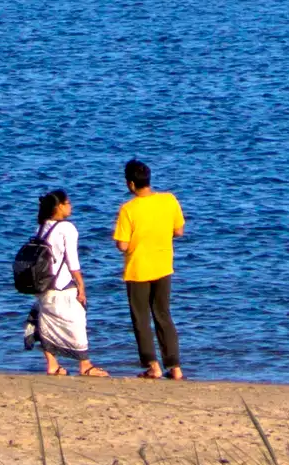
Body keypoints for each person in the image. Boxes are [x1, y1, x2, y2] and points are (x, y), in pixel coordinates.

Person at [113, 158, 186, 379]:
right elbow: (179, 231)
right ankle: (175, 367)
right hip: (163, 266)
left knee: (141, 318)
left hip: (138, 270)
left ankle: (152, 365)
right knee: (163, 314)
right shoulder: (169, 200)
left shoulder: (128, 209)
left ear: (131, 184)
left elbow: (122, 244)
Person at [27, 188, 100, 375]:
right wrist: (81, 287)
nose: (71, 206)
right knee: (76, 322)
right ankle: (85, 365)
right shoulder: (67, 228)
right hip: (62, 286)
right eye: (68, 203)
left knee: (46, 323)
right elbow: (72, 261)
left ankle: (52, 364)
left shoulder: (41, 227)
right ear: (59, 207)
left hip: (43, 286)